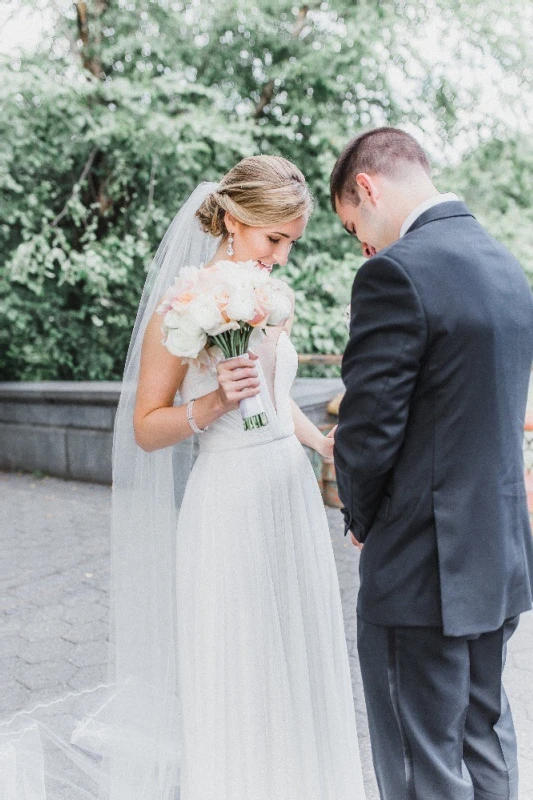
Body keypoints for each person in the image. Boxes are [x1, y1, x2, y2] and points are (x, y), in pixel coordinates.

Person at [0, 156, 366, 800]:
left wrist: (321, 443)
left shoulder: (273, 302)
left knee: (292, 655)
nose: (279, 257)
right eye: (271, 239)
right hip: (226, 498)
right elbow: (146, 426)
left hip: (286, 490)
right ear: (232, 219)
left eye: (290, 243)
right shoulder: (182, 309)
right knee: (239, 659)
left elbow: (274, 399)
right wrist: (213, 404)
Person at [328, 126, 533, 800]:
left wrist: (359, 517)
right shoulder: (505, 265)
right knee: (484, 745)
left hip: (420, 567)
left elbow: (368, 430)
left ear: (366, 187)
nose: (362, 243)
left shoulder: (395, 272)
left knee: (421, 770)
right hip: (495, 557)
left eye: (354, 224)